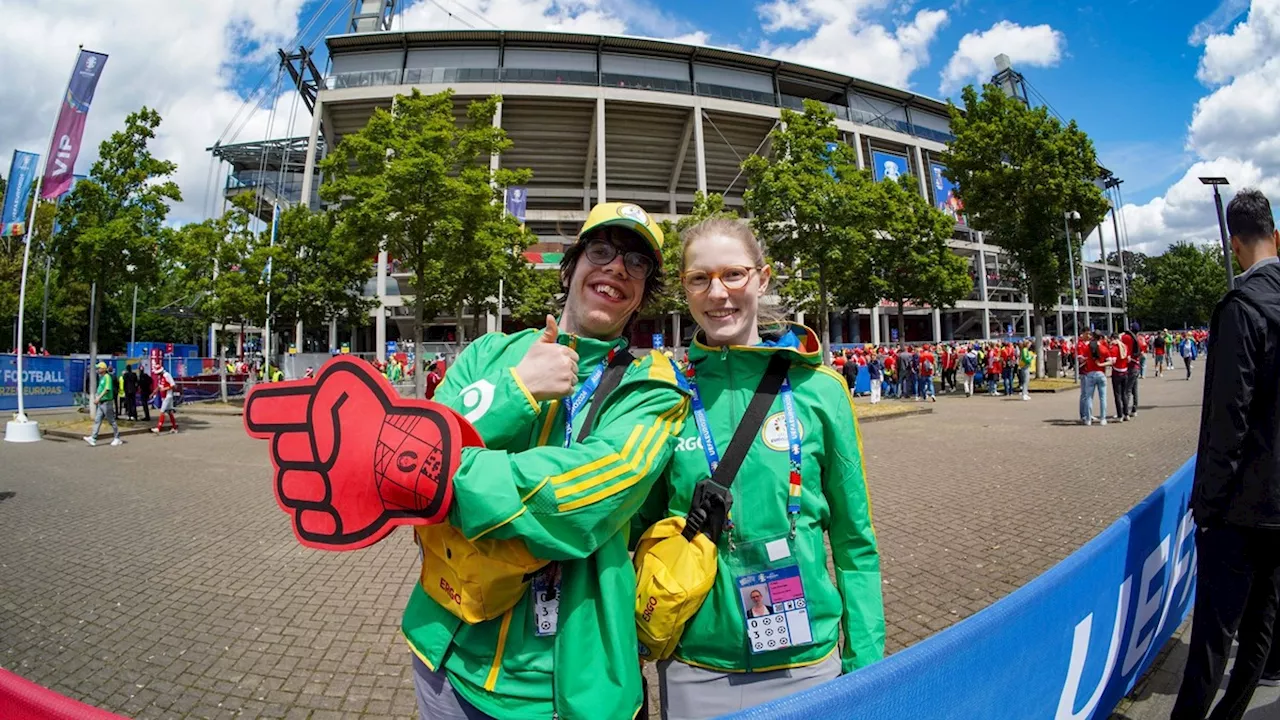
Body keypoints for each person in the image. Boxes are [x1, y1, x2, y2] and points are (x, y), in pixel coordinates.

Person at [404, 203, 688, 720]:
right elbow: (410, 446)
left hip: (560, 693)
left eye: (637, 262)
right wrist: (514, 392)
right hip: (444, 662)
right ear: (572, 266)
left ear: (645, 291)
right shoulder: (490, 353)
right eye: (601, 250)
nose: (617, 268)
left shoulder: (653, 388)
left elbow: (579, 502)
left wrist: (444, 476)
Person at [636, 218, 882, 719]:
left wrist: (867, 664)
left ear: (763, 279)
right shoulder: (666, 396)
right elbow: (639, 533)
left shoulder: (820, 390)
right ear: (684, 288)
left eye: (734, 274)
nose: (717, 293)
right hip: (695, 665)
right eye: (699, 279)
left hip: (808, 664)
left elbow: (855, 542)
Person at [1171, 189, 1280, 720]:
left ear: (1234, 243)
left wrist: (1207, 507)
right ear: (1275, 236)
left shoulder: (1242, 309)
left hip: (1240, 505)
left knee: (1213, 636)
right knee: (1262, 625)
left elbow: (1227, 419)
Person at [84, 362, 122, 447]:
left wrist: (98, 398)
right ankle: (93, 438)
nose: (97, 370)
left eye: (99, 368)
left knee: (111, 420)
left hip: (106, 402)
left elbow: (107, 389)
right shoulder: (102, 377)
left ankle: (117, 438)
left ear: (104, 369)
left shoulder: (107, 377)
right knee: (97, 420)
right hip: (101, 403)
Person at [1077, 330, 1111, 426]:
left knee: (1089, 398)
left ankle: (1088, 419)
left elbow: (1082, 358)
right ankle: (1103, 418)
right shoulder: (1104, 348)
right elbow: (1110, 362)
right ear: (1100, 338)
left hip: (1090, 373)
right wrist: (1101, 364)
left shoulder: (1087, 347)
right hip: (1101, 373)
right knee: (1103, 398)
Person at [150, 363, 178, 434]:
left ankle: (158, 428)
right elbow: (159, 387)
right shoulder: (161, 376)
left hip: (168, 396)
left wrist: (165, 388)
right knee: (169, 412)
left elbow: (174, 385)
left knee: (162, 411)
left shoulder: (167, 375)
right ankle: (174, 428)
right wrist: (153, 393)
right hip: (164, 396)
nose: (157, 375)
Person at [1109, 333, 1132, 422]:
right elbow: (1129, 359)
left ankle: (1120, 415)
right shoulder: (1125, 346)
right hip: (1125, 372)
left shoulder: (1114, 348)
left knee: (1117, 395)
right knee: (1124, 394)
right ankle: (1126, 413)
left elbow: (1113, 361)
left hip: (1117, 372)